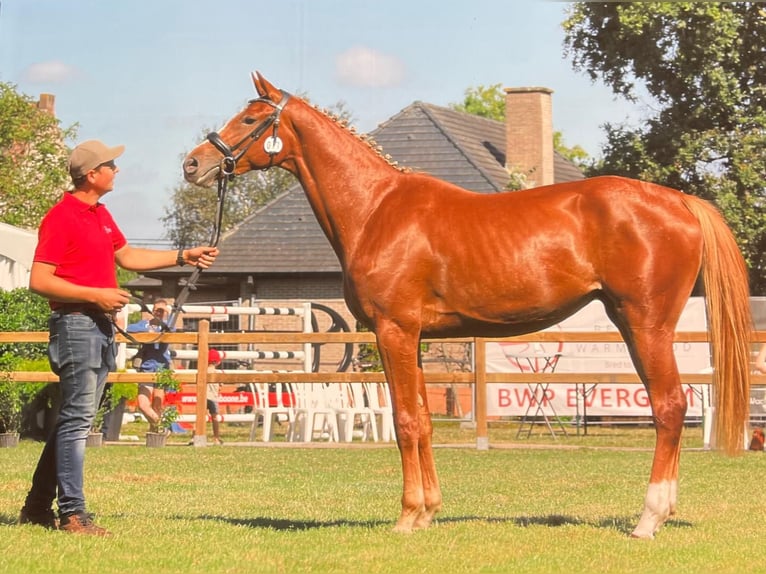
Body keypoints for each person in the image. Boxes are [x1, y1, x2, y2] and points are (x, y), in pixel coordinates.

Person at [20, 139, 219, 536]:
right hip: (77, 325)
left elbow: (128, 257)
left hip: (97, 326)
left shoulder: (100, 214)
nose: (117, 170)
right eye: (111, 165)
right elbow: (39, 280)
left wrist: (184, 255)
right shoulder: (62, 217)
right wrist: (97, 294)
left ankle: (37, 506)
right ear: (92, 175)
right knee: (76, 423)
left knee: (71, 422)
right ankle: (73, 515)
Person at [127, 298, 173, 432]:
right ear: (152, 311)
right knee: (143, 404)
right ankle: (162, 428)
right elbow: (130, 328)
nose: (158, 313)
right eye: (156, 310)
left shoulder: (167, 325)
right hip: (146, 367)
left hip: (162, 368)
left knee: (157, 405)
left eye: (161, 310)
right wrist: (149, 333)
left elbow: (172, 330)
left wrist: (166, 317)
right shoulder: (145, 325)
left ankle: (156, 435)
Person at [205, 348, 224, 445]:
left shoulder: (203, 372)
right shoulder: (217, 373)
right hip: (213, 398)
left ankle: (194, 436)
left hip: (203, 396)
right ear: (218, 362)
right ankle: (216, 438)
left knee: (200, 417)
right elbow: (220, 386)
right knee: (215, 418)